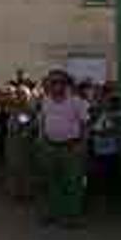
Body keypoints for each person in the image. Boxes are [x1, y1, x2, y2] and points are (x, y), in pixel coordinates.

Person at [37, 69, 90, 227]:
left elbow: (85, 124)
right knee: (51, 182)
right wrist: (42, 140)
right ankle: (52, 213)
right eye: (52, 82)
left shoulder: (76, 102)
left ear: (66, 84)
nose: (55, 86)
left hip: (71, 147)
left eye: (59, 82)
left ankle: (72, 216)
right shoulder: (46, 101)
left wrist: (82, 145)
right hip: (50, 147)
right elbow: (43, 121)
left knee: (73, 183)